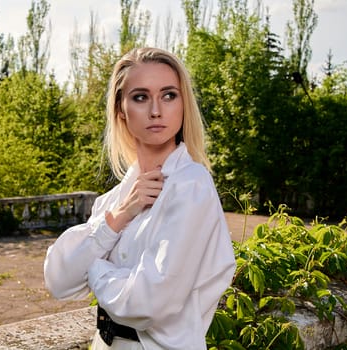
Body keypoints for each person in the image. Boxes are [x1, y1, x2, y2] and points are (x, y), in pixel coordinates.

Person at [44, 47, 236, 349]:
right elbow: (58, 280)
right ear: (121, 109)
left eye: (169, 95)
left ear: (184, 104)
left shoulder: (192, 186)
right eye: (141, 97)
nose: (156, 110)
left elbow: (150, 301)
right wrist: (120, 216)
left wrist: (94, 268)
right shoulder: (115, 200)